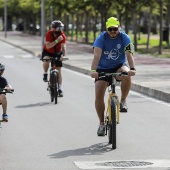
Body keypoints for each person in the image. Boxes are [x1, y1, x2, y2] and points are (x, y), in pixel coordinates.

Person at [91, 17, 136, 136]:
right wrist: (93, 70)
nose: (112, 32)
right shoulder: (101, 38)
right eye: (110, 29)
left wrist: (132, 68)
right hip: (102, 68)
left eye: (115, 29)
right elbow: (96, 55)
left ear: (119, 28)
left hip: (119, 66)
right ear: (106, 29)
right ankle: (101, 123)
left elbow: (129, 54)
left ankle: (123, 101)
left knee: (126, 73)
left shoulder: (125, 37)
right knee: (99, 93)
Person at [41, 20, 66, 97]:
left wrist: (63, 55)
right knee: (46, 59)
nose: (59, 29)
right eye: (58, 28)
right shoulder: (49, 34)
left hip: (57, 52)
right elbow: (48, 46)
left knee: (59, 71)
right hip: (48, 51)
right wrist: (56, 40)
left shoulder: (62, 35)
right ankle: (45, 73)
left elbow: (63, 46)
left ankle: (60, 89)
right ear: (54, 28)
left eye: (60, 28)